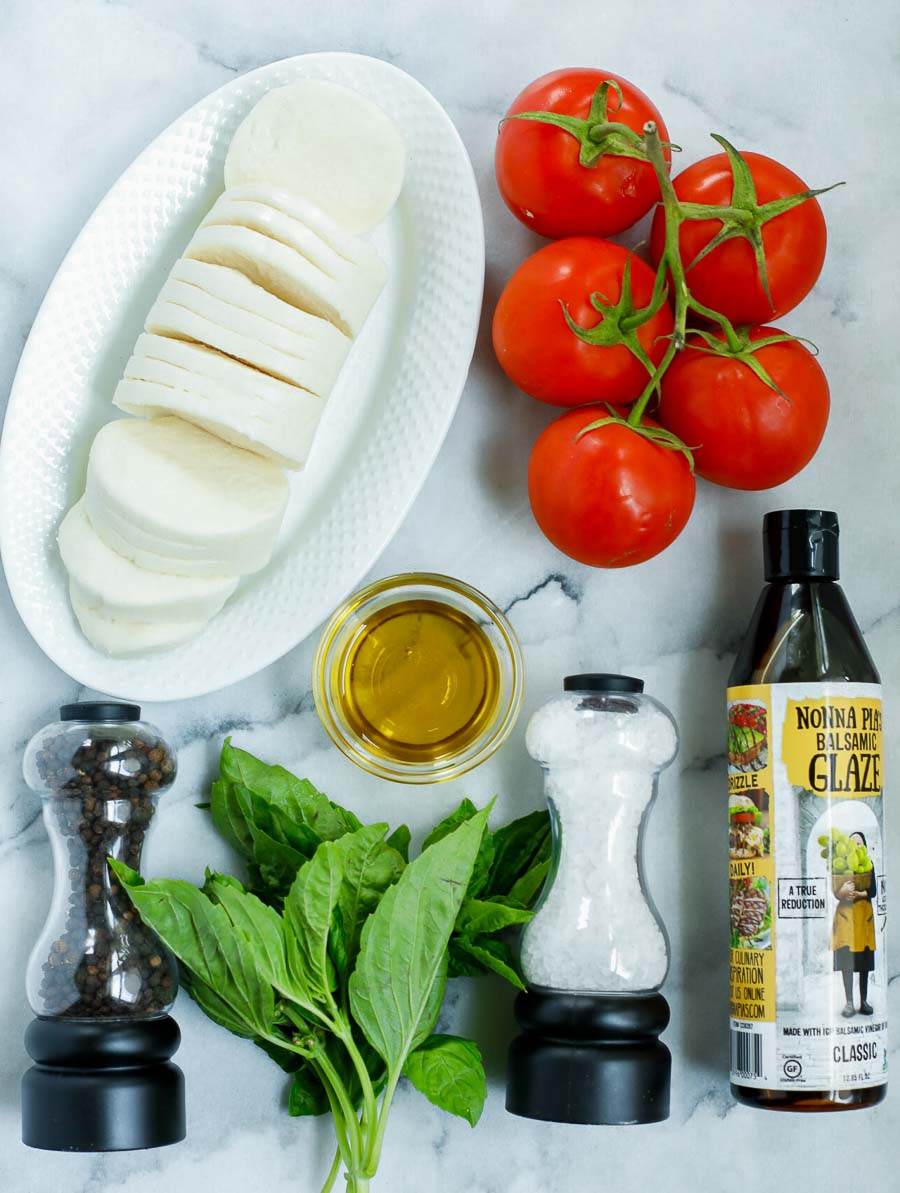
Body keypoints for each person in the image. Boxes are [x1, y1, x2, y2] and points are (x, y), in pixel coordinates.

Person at [831, 831, 877, 1018]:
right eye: (853, 844)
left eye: (859, 844)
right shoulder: (840, 866)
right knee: (846, 962)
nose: (856, 847)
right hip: (845, 919)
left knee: (864, 962)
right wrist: (842, 892)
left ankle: (863, 1001)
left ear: (864, 846)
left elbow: (872, 890)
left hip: (863, 917)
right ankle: (849, 1002)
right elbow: (835, 891)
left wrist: (860, 894)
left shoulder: (869, 865)